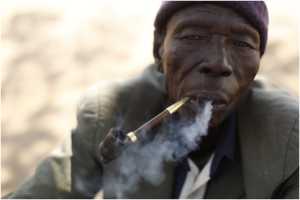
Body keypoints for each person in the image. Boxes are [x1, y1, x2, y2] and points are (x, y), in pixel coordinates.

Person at [2, 0, 300, 199]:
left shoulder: (290, 143)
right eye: (194, 37)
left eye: (241, 43)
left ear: (258, 61)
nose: (219, 63)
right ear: (159, 50)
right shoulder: (111, 112)